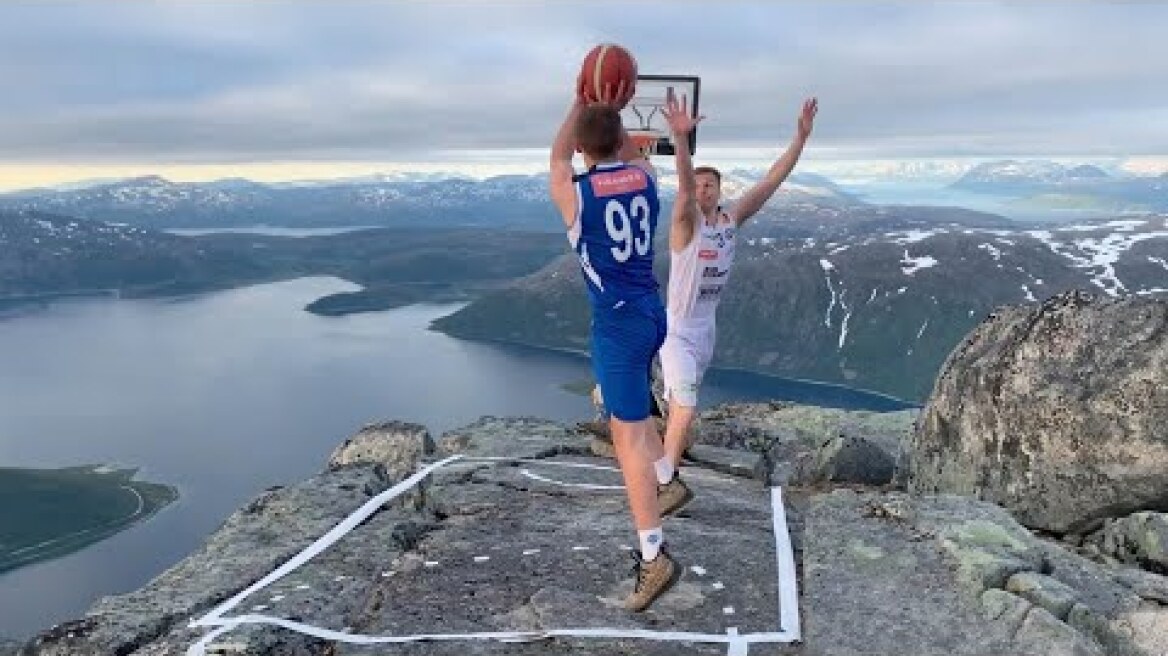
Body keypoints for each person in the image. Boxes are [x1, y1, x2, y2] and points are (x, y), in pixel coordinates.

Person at [547, 79, 695, 612]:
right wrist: (613, 110)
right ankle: (668, 480)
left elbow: (557, 154)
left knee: (627, 439)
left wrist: (581, 97)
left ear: (586, 147)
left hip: (617, 326)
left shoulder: (577, 194)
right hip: (653, 313)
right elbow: (613, 149)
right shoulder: (644, 177)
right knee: (636, 424)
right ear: (623, 140)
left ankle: (654, 559)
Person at [658, 97, 819, 478]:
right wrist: (680, 140)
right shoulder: (686, 226)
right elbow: (681, 191)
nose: (702, 192)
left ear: (719, 189)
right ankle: (663, 478)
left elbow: (770, 181)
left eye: (709, 185)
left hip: (705, 332)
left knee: (678, 407)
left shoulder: (730, 220)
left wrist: (800, 139)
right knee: (686, 407)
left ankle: (648, 426)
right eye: (697, 186)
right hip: (676, 331)